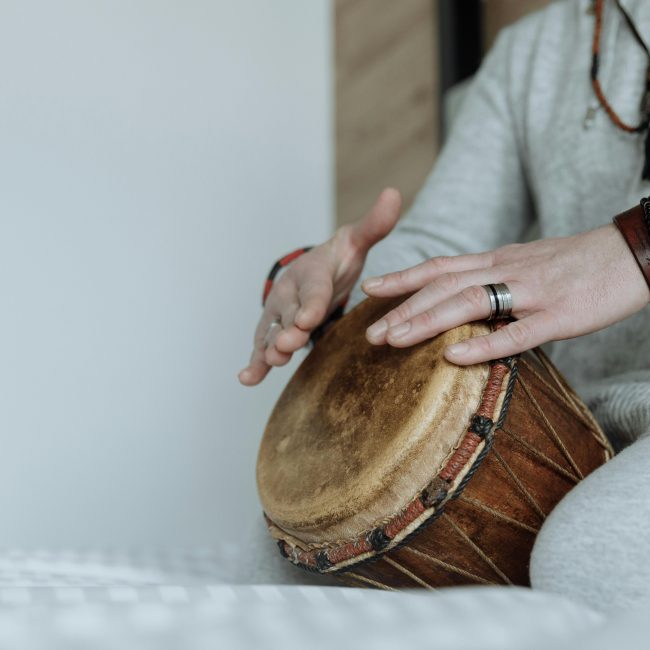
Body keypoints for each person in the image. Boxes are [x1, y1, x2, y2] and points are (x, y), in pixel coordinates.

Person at [239, 0, 650, 613]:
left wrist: (634, 248)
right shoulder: (532, 51)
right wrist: (342, 289)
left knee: (593, 552)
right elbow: (446, 247)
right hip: (568, 419)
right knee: (287, 558)